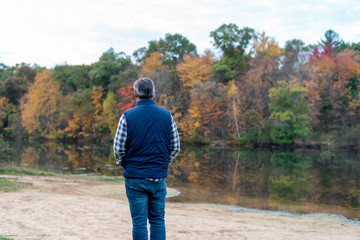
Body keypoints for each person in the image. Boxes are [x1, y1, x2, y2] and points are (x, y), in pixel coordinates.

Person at [113, 77, 180, 240]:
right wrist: (163, 162)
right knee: (157, 221)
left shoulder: (127, 116)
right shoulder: (166, 116)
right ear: (154, 93)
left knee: (139, 223)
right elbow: (175, 146)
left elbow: (118, 148)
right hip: (158, 177)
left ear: (135, 93)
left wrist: (124, 163)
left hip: (135, 178)